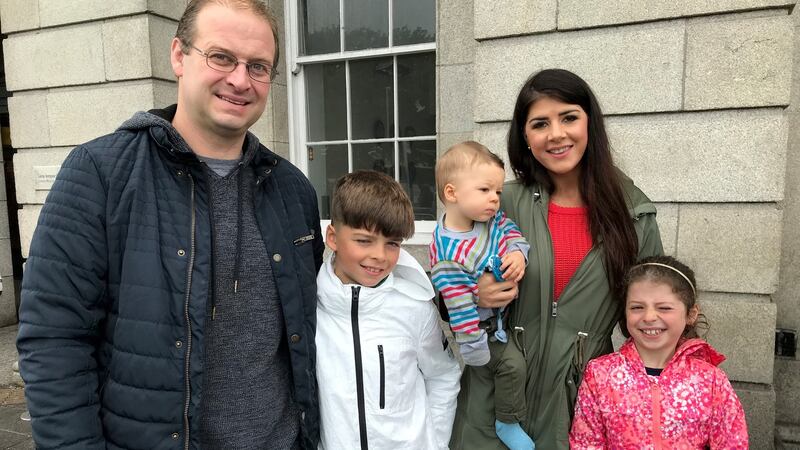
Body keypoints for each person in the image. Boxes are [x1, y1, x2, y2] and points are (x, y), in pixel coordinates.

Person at [16, 1, 324, 449]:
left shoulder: (292, 189)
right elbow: (54, 341)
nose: (240, 80)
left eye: (258, 67)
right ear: (179, 56)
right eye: (221, 57)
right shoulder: (100, 173)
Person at [449, 68, 664, 449]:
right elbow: (445, 276)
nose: (556, 134)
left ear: (589, 124)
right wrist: (473, 293)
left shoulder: (632, 212)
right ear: (525, 137)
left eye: (568, 117)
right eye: (540, 123)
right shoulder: (498, 203)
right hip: (493, 397)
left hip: (582, 407)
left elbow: (656, 315)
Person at [316, 170, 460, 449]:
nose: (380, 256)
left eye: (392, 243)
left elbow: (443, 375)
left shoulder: (414, 307)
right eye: (364, 240)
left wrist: (436, 444)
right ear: (332, 237)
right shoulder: (309, 308)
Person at [570, 256, 748, 448]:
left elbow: (732, 444)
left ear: (691, 314)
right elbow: (585, 444)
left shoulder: (711, 381)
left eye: (664, 308)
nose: (649, 317)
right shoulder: (600, 375)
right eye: (637, 307)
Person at [429, 141, 534, 450]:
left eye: (498, 192)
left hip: (506, 320)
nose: (495, 199)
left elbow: (512, 232)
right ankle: (508, 421)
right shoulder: (448, 254)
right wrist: (473, 345)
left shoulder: (491, 221)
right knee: (512, 367)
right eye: (485, 190)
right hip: (483, 331)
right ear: (452, 193)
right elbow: (458, 305)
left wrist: (518, 253)